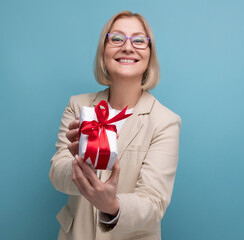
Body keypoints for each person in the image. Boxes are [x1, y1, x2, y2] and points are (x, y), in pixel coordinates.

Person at [49, 11, 181, 240]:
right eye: (117, 38)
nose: (128, 47)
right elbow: (56, 173)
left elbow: (153, 203)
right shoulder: (78, 106)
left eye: (139, 40)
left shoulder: (165, 122)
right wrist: (81, 167)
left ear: (150, 55)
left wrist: (112, 205)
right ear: (104, 52)